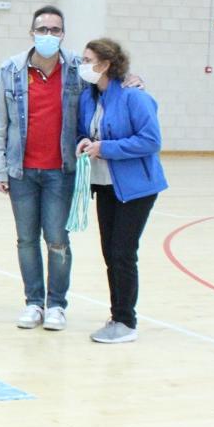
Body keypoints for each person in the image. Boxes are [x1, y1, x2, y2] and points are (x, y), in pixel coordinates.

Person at [0, 6, 82, 332]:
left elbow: (104, 87)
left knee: (57, 238)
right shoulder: (11, 69)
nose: (48, 35)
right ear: (32, 33)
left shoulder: (77, 69)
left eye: (54, 30)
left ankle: (57, 305)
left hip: (61, 171)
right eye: (42, 29)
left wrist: (129, 79)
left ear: (63, 34)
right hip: (22, 172)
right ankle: (33, 303)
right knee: (26, 240)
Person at [77, 39, 167, 344]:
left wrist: (107, 148)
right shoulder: (88, 98)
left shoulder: (134, 97)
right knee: (109, 252)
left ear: (106, 65)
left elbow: (151, 141)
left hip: (136, 188)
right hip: (104, 186)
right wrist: (84, 142)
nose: (83, 65)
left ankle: (125, 321)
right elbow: (86, 130)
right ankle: (117, 314)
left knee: (123, 253)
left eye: (88, 60)